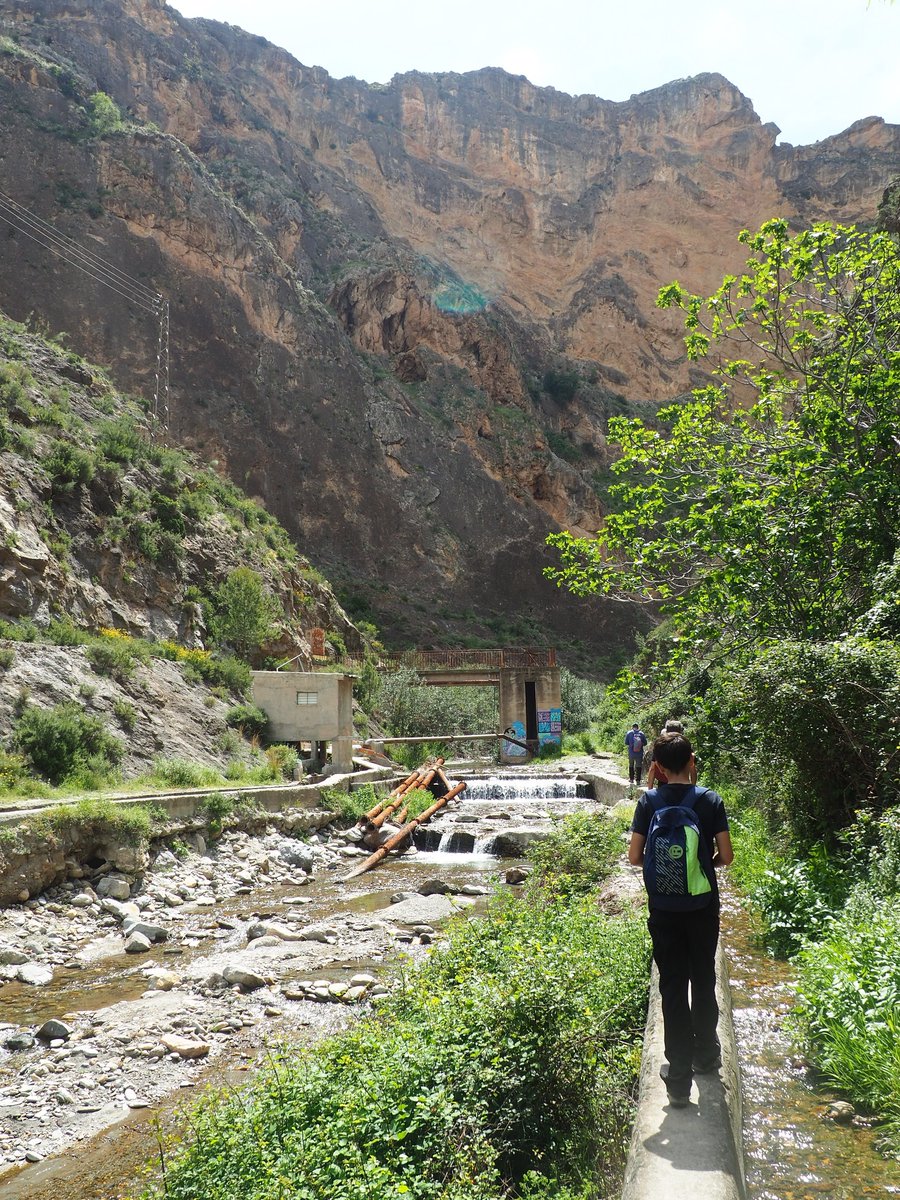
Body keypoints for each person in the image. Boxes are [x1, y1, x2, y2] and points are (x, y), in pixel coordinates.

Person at [628, 731, 734, 1107]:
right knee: (703, 978)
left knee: (672, 987)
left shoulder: (648, 802)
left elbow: (635, 857)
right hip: (702, 907)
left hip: (664, 910)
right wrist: (704, 864)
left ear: (656, 767)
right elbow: (727, 855)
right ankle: (707, 1055)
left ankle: (677, 1081)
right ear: (692, 761)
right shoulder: (709, 800)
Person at [645, 719, 696, 787]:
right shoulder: (685, 745)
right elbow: (692, 768)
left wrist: (650, 789)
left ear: (667, 731)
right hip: (684, 785)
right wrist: (693, 788)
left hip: (663, 783)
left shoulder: (661, 746)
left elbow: (652, 769)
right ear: (680, 731)